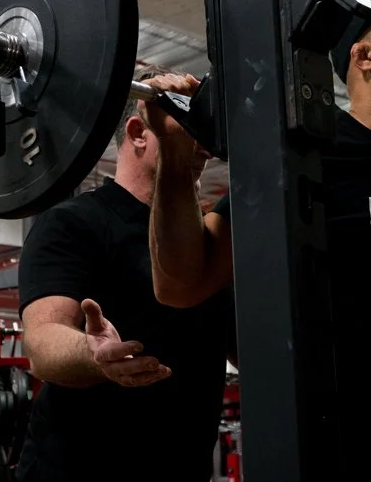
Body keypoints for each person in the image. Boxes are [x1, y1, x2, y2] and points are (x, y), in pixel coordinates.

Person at [145, 0, 371, 480]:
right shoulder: (307, 156)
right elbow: (181, 283)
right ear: (362, 57)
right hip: (327, 462)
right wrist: (172, 152)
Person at [15, 67, 232, 482]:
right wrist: (92, 356)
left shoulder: (210, 242)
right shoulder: (73, 222)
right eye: (181, 121)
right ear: (138, 132)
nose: (200, 141)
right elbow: (42, 341)